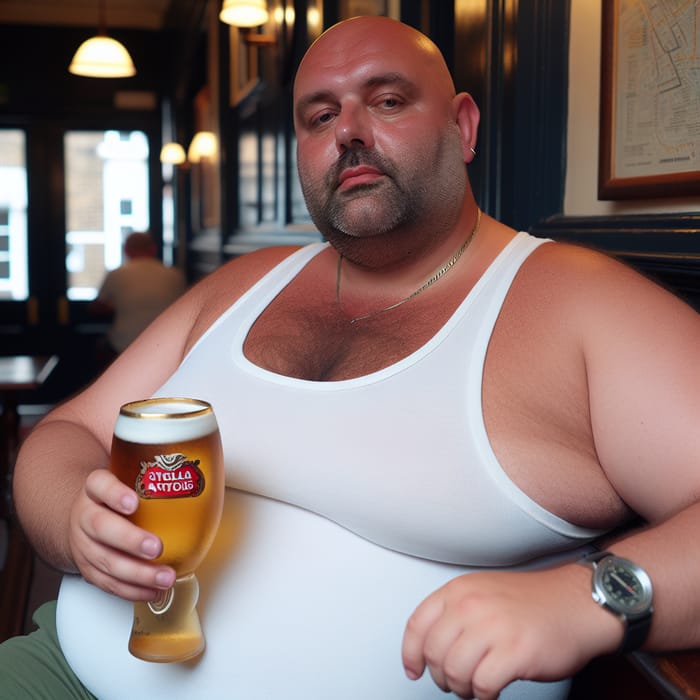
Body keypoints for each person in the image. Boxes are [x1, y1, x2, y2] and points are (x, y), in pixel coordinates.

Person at [1, 14, 700, 700]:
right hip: (65, 673)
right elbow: (68, 433)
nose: (350, 133)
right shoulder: (244, 285)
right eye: (319, 116)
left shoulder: (580, 304)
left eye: (388, 101)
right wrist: (74, 523)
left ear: (462, 126)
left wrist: (596, 598)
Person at [89, 231, 186, 363]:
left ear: (126, 250)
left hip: (123, 345)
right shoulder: (175, 275)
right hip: (164, 346)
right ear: (153, 249)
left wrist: (116, 306)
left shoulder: (116, 275)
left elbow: (96, 308)